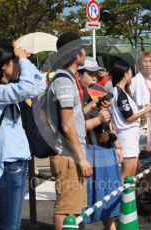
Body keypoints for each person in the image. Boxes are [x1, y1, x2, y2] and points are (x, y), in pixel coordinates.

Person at [0, 42, 45, 230]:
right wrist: (23, 60)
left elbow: (38, 85)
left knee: (12, 225)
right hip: (8, 164)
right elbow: (27, 89)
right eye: (15, 62)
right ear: (4, 65)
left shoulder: (4, 89)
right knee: (9, 226)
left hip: (16, 162)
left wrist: (24, 60)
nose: (18, 66)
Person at [47, 32, 93, 230]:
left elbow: (72, 117)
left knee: (74, 209)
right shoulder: (64, 80)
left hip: (70, 153)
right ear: (75, 53)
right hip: (68, 156)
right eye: (82, 47)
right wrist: (81, 158)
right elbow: (67, 125)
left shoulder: (67, 78)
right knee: (66, 210)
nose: (85, 51)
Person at [77, 57, 122, 230]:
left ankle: (111, 227)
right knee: (84, 199)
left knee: (109, 196)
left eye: (97, 73)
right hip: (87, 151)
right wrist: (98, 118)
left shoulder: (98, 92)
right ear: (79, 74)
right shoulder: (76, 95)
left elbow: (109, 123)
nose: (95, 76)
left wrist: (117, 146)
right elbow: (75, 127)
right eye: (90, 73)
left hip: (105, 149)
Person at [111, 60, 151, 182]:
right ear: (125, 73)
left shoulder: (122, 92)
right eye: (130, 72)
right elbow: (129, 116)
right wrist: (148, 109)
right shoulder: (119, 93)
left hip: (131, 135)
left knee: (131, 174)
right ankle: (121, 200)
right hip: (126, 136)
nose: (131, 75)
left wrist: (141, 116)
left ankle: (128, 199)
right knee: (126, 175)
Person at [130, 51, 151, 204]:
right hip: (141, 125)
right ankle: (140, 189)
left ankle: (148, 188)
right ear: (139, 64)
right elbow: (130, 101)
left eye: (150, 61)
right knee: (143, 159)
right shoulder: (136, 81)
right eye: (145, 61)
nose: (148, 64)